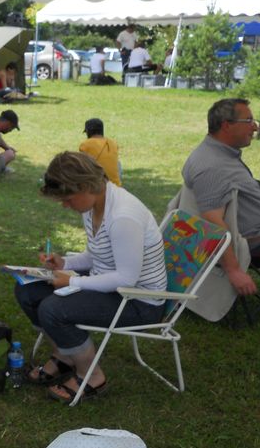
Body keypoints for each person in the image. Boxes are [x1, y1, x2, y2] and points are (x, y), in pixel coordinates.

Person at [15, 152, 167, 402]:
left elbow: (126, 279)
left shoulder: (123, 216)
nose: (65, 205)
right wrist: (65, 263)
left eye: (68, 199)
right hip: (112, 284)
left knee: (53, 309)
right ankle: (64, 356)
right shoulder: (95, 204)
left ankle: (92, 376)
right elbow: (97, 254)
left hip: (138, 302)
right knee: (28, 290)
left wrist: (71, 280)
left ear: (85, 187)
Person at [182, 98, 260, 320]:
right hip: (258, 240)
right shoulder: (212, 166)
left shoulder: (218, 153)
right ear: (226, 125)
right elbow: (213, 223)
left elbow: (229, 197)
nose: (255, 126)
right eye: (249, 120)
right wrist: (234, 271)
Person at [79, 117, 122, 186]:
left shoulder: (86, 144)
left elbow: (82, 167)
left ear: (89, 131)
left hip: (98, 186)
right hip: (115, 185)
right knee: (118, 163)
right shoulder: (113, 143)